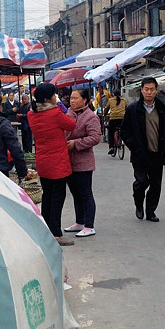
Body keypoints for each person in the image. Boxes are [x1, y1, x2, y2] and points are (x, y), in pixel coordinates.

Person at [27, 83, 77, 246]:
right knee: (58, 197)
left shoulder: (31, 114)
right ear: (48, 98)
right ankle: (56, 233)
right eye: (54, 95)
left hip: (43, 160)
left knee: (47, 196)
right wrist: (61, 108)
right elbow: (71, 125)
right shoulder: (55, 113)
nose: (56, 98)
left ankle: (47, 230)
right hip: (57, 161)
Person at [121, 77, 165, 222]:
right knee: (142, 181)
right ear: (142, 90)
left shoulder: (162, 110)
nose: (149, 92)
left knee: (156, 185)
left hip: (157, 153)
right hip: (139, 154)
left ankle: (150, 211)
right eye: (146, 89)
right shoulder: (133, 109)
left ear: (156, 91)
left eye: (152, 89)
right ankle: (138, 203)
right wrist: (133, 145)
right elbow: (125, 131)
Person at [64, 88, 103, 238]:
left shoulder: (90, 117)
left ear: (85, 100)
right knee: (75, 193)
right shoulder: (68, 114)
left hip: (83, 162)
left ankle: (89, 225)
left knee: (86, 193)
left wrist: (76, 143)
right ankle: (79, 221)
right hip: (69, 160)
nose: (72, 101)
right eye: (71, 98)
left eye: (75, 98)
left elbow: (95, 138)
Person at [104, 88, 127, 156]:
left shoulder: (110, 100)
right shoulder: (124, 100)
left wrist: (104, 115)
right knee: (123, 130)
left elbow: (106, 109)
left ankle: (111, 147)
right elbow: (127, 108)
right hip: (122, 118)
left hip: (113, 118)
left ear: (113, 94)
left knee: (111, 132)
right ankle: (122, 140)